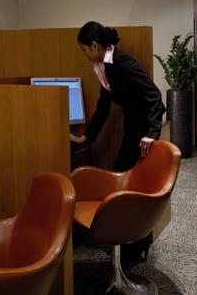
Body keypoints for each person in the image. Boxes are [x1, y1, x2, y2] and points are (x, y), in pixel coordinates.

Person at [70, 21, 165, 262]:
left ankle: (134, 248)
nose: (84, 54)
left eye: (84, 49)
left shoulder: (122, 62)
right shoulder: (104, 65)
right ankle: (127, 245)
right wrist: (87, 137)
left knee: (130, 188)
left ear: (94, 46)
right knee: (125, 185)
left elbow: (154, 95)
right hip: (133, 128)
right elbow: (104, 105)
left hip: (143, 131)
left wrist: (152, 132)